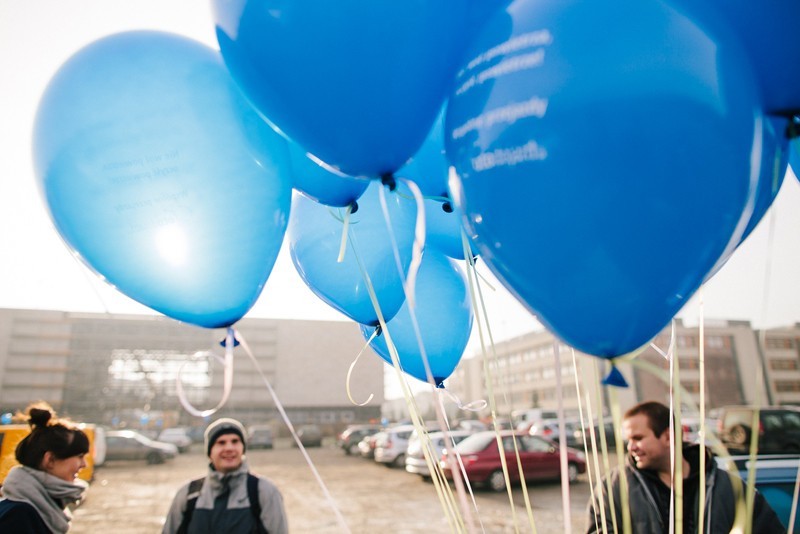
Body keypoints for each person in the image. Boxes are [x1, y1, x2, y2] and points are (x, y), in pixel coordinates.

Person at [586, 401, 785, 534]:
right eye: (628, 440)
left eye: (638, 438)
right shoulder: (611, 489)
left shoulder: (728, 487)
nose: (631, 447)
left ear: (667, 436)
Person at [162, 418, 288, 534]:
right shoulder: (188, 495)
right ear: (210, 451)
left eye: (235, 441)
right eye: (221, 443)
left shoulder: (264, 492)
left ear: (243, 448)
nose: (229, 448)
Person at [0, 403, 89, 533]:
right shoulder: (19, 514)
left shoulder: (41, 507)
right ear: (50, 460)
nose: (84, 464)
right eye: (79, 457)